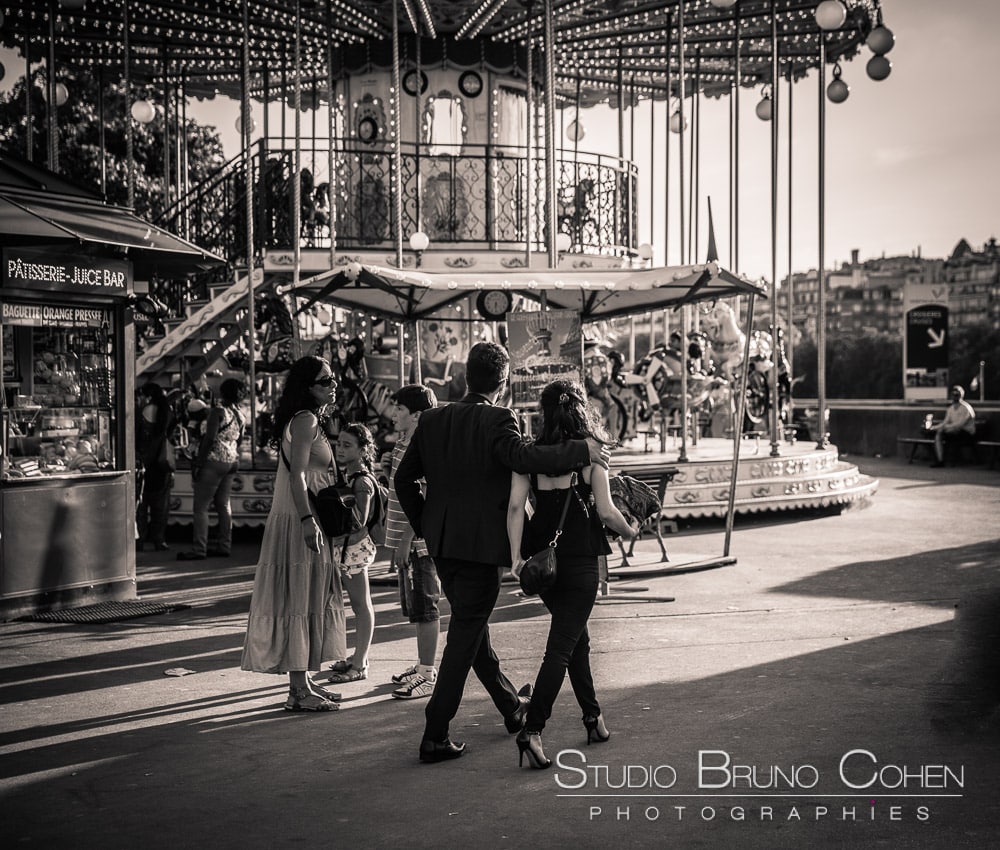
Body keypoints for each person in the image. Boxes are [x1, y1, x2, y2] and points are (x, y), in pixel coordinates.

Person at [395, 341, 612, 764]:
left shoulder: (434, 419)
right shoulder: (500, 418)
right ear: (504, 379)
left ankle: (513, 709)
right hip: (480, 548)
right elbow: (523, 456)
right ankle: (435, 732)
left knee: (473, 634)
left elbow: (405, 480)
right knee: (464, 639)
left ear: (464, 375)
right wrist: (582, 449)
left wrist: (427, 526)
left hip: (442, 545)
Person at [506, 380, 638, 769]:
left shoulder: (530, 456)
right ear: (582, 410)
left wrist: (515, 558)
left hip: (543, 564)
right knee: (561, 648)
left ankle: (593, 718)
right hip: (580, 562)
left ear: (544, 413)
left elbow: (516, 508)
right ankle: (532, 731)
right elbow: (606, 512)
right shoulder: (591, 456)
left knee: (577, 641)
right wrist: (631, 533)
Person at [241, 356, 346, 712]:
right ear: (308, 387)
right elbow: (299, 475)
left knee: (304, 599)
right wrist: (306, 519)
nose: (333, 385)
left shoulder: (305, 419)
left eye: (333, 378)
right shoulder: (305, 420)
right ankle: (299, 691)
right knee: (299, 600)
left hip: (300, 517)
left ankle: (302, 682)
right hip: (300, 519)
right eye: (326, 380)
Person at [381, 385, 441, 700]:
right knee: (416, 608)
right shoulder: (405, 443)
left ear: (416, 414)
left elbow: (426, 497)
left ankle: (428, 673)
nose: (394, 415)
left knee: (426, 607)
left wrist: (406, 538)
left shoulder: (423, 446)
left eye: (400, 409)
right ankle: (422, 666)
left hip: (420, 542)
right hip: (408, 542)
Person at [322, 423, 380, 685]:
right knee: (355, 605)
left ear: (363, 449)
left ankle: (360, 663)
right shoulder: (349, 476)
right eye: (339, 444)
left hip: (353, 550)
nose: (340, 449)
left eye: (348, 445)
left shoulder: (362, 481)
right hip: (345, 549)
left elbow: (359, 520)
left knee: (361, 605)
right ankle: (358, 659)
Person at [179, 378, 247, 560]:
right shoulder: (240, 415)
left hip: (214, 461)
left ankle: (199, 549)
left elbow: (209, 439)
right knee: (223, 505)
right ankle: (224, 545)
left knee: (201, 507)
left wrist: (199, 463)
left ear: (222, 392)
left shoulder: (217, 412)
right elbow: (239, 440)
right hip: (232, 461)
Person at [136, 382, 176, 552]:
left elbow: (137, 437)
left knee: (142, 504)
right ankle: (159, 540)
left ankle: (140, 539)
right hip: (162, 462)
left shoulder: (143, 411)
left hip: (145, 461)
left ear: (148, 395)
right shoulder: (168, 411)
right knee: (161, 505)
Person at [929, 385, 976, 467]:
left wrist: (946, 427)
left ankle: (945, 460)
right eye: (953, 395)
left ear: (961, 395)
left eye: (957, 394)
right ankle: (940, 460)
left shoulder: (966, 408)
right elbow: (945, 422)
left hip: (967, 433)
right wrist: (934, 428)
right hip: (954, 432)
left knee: (950, 432)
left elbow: (960, 424)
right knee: (939, 434)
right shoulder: (950, 409)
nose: (955, 397)